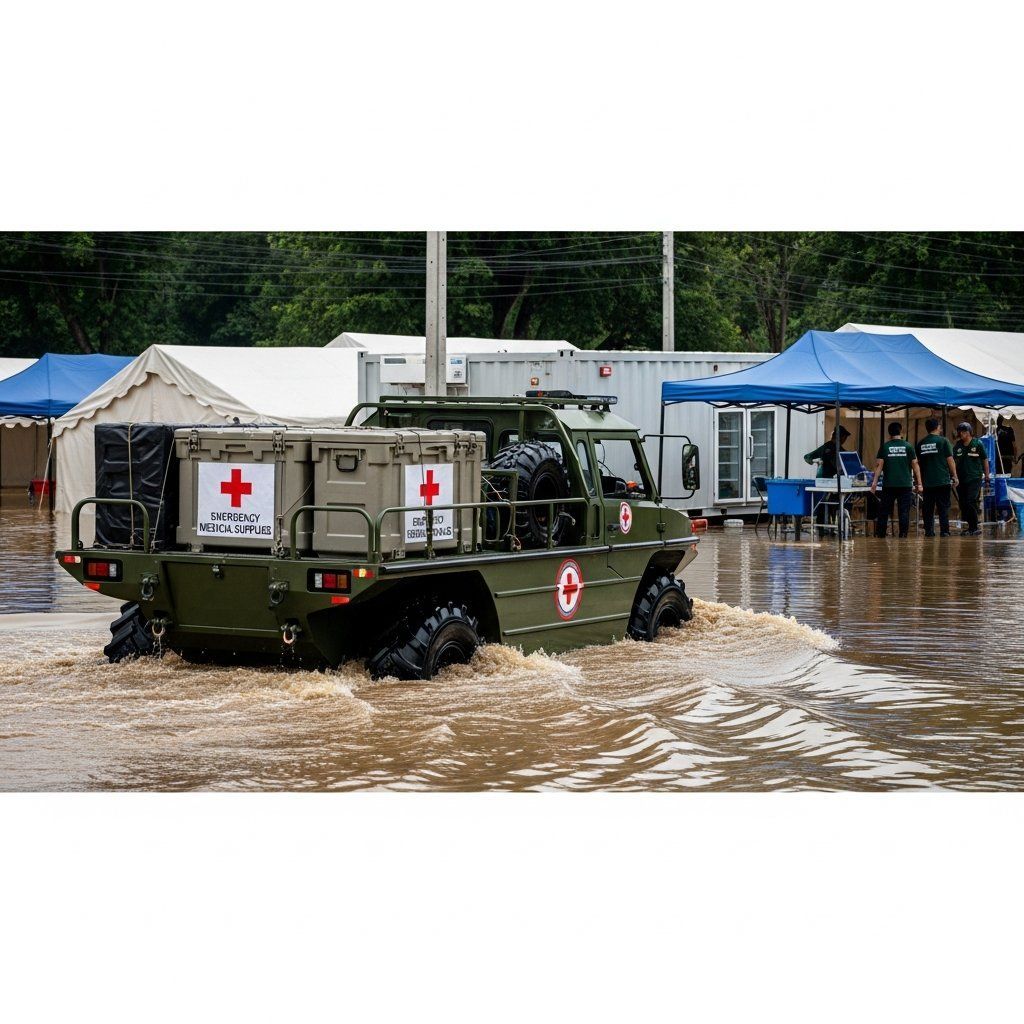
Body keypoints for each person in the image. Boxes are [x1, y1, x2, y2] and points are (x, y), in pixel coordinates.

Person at [870, 422, 922, 538]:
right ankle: (903, 537)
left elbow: (879, 466)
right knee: (904, 512)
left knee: (884, 512)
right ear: (901, 431)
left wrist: (874, 483)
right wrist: (919, 483)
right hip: (905, 485)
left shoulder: (885, 447)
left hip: (889, 485)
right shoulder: (908, 446)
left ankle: (881, 537)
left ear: (889, 433)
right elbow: (915, 466)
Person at [916, 417, 958, 537]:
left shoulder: (921, 443)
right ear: (938, 427)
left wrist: (918, 482)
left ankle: (929, 532)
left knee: (928, 509)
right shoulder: (943, 441)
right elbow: (950, 460)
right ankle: (944, 532)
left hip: (927, 482)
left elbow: (917, 463)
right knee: (943, 508)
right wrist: (955, 476)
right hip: (942, 481)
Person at [953, 421, 990, 536]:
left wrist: (987, 476)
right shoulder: (957, 446)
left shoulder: (977, 444)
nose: (960, 434)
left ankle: (974, 527)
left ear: (968, 432)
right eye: (959, 432)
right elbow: (953, 461)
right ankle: (970, 527)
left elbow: (985, 460)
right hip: (961, 479)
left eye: (962, 432)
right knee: (963, 503)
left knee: (970, 501)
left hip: (974, 478)